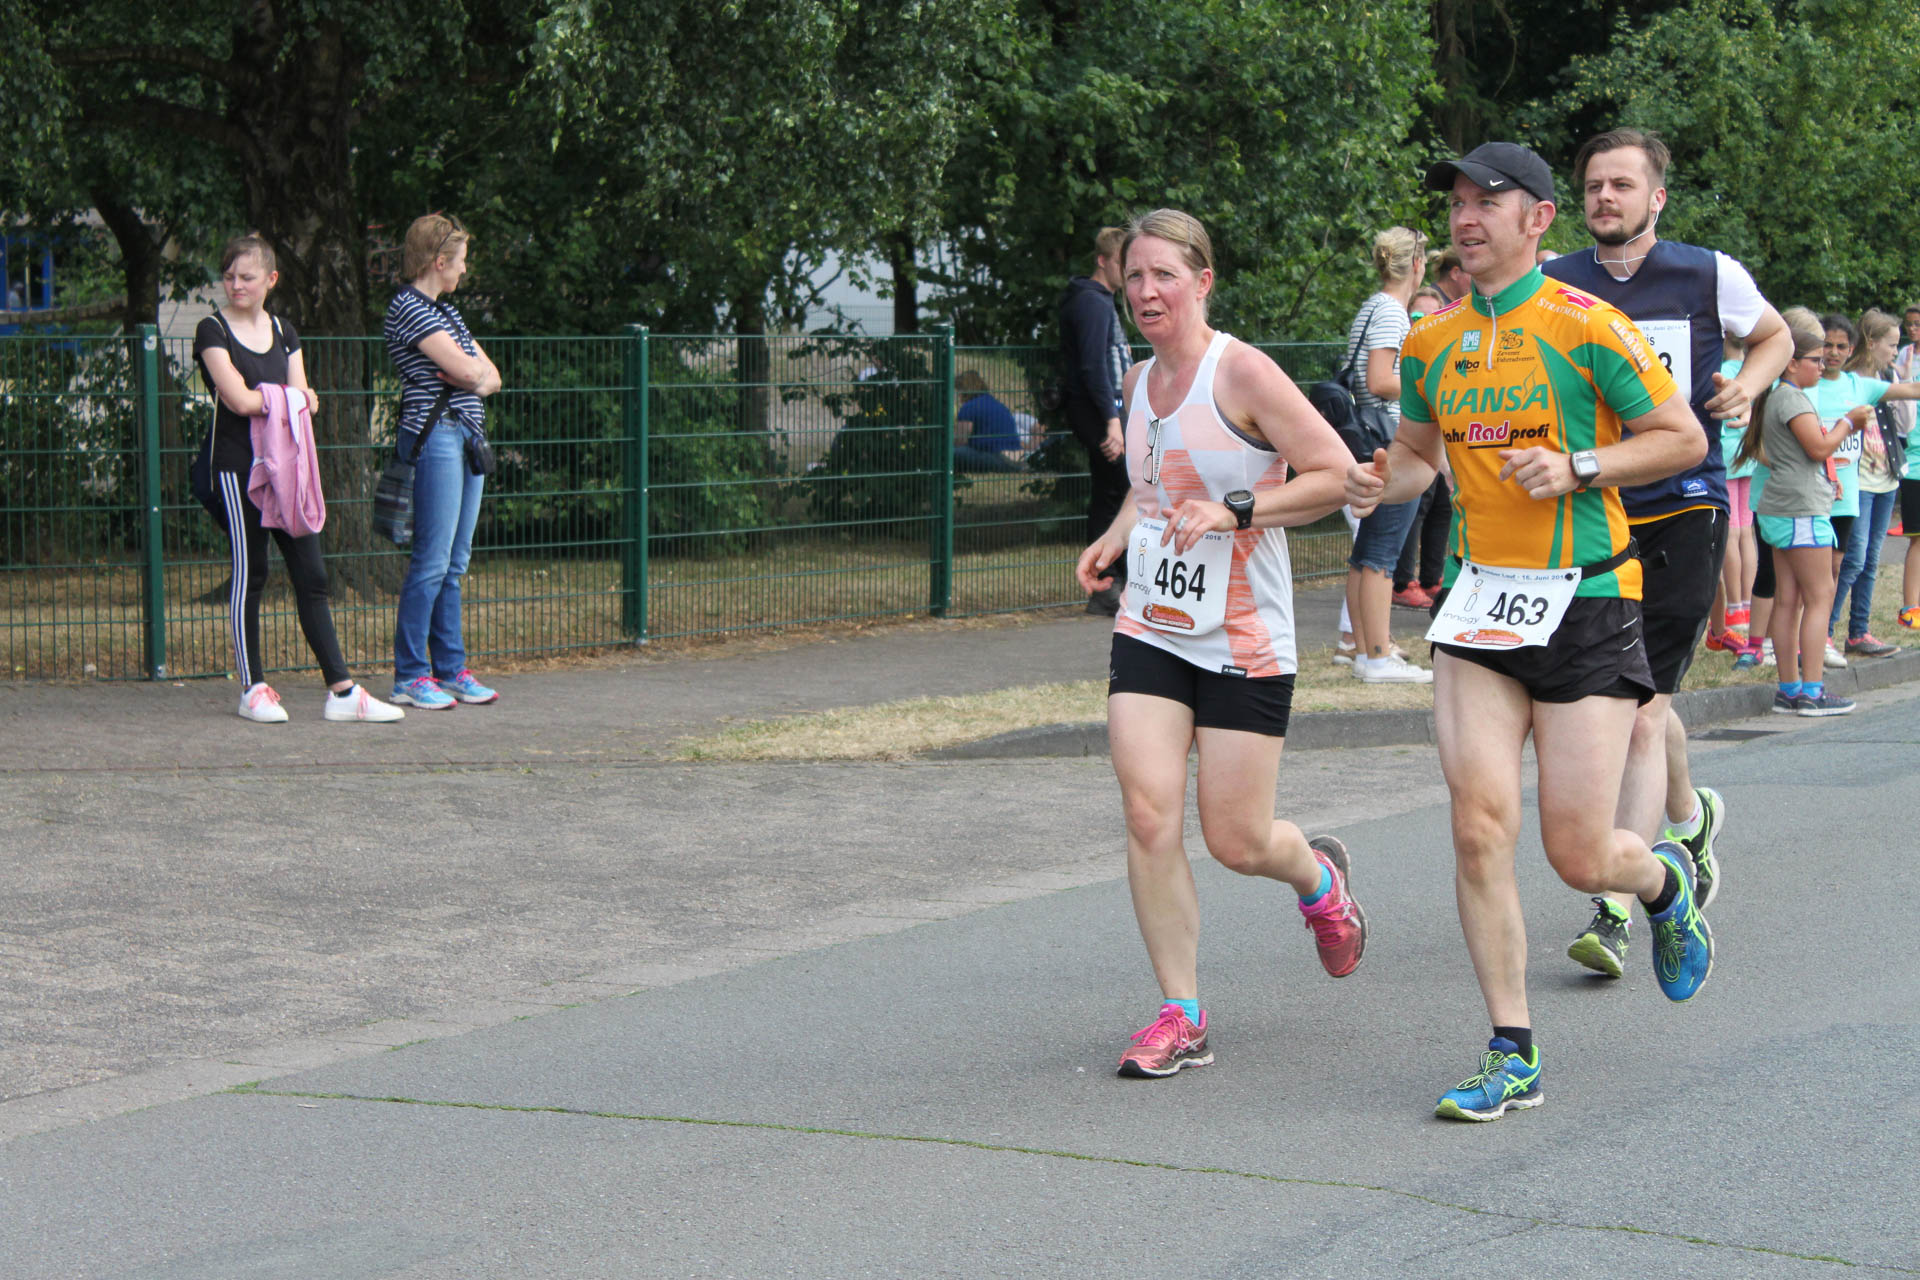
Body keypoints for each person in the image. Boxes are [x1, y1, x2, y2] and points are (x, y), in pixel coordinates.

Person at [1346, 141, 1712, 1121]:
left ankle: (1662, 882)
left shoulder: (1588, 326)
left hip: (1587, 598)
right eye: (1457, 203)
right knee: (1477, 826)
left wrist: (1582, 465)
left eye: (1488, 201)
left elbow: (1682, 438)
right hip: (1480, 603)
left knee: (1582, 855)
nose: (1466, 218)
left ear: (1539, 218)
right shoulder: (1431, 340)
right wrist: (1381, 480)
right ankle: (1512, 1049)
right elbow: (1419, 455)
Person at [1074, 209, 1365, 1079]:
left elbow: (1335, 476)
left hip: (1243, 632)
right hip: (1153, 624)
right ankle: (1182, 1013)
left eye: (1164, 274)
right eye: (1134, 276)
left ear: (1202, 282)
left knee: (1238, 841)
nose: (1146, 291)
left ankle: (1317, 880)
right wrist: (1115, 538)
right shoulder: (1136, 380)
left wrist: (1236, 511)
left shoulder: (1242, 372)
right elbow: (1153, 489)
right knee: (1148, 812)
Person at [1542, 128, 1790, 977]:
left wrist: (1746, 385)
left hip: (1684, 506)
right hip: (1592, 510)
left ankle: (1616, 902)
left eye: (1621, 185)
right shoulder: (1555, 282)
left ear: (1656, 199)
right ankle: (1690, 815)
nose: (1604, 197)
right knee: (1637, 697)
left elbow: (1774, 336)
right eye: (1593, 185)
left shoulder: (1706, 273)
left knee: (1639, 708)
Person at [191, 233, 404, 725]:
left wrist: (291, 397)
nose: (235, 285)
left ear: (271, 279)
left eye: (247, 277)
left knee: (313, 575)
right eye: (229, 276)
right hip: (235, 470)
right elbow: (242, 401)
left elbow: (303, 397)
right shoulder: (211, 330)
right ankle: (253, 689)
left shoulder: (284, 331)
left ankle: (343, 691)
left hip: (285, 471)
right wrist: (291, 398)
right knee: (253, 572)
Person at [385, 213, 503, 710]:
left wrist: (471, 374)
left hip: (468, 437)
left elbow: (492, 376)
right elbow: (469, 372)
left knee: (454, 563)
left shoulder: (447, 313)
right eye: (460, 261)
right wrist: (470, 373)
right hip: (436, 436)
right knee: (431, 561)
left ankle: (451, 671)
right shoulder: (409, 307)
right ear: (438, 261)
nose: (464, 270)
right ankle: (411, 676)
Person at [1736, 308, 1860, 715]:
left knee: (1788, 600)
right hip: (1800, 509)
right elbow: (1819, 448)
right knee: (1820, 596)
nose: (1823, 366)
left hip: (1780, 507)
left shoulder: (1777, 396)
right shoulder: (1792, 398)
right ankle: (1812, 691)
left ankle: (1789, 689)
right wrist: (1850, 422)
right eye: (1816, 360)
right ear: (1791, 363)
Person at [1340, 227, 1431, 682]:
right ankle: (1377, 656)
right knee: (1382, 552)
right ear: (1416, 264)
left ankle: (1364, 650)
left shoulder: (1372, 307)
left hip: (1368, 435)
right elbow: (1378, 380)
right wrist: (1429, 383)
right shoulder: (1393, 312)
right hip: (1390, 437)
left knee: (1366, 551)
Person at [1059, 227, 1135, 615]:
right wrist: (1111, 420)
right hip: (1101, 413)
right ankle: (1107, 586)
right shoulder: (1091, 303)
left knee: (1113, 491)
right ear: (1103, 261)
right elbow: (1093, 366)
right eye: (1123, 263)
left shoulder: (1101, 301)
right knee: (1121, 492)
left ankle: (1112, 586)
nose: (1129, 271)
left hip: (1108, 410)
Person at [1832, 310, 1909, 657]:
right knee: (1853, 560)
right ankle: (1825, 632)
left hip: (1886, 479)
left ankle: (1858, 632)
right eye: (1891, 344)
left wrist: (1900, 376)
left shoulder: (1887, 378)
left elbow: (1906, 422)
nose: (1895, 351)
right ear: (1872, 342)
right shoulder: (1849, 382)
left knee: (1870, 560)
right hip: (1858, 482)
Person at [952, 370, 1024, 472]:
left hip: (997, 458)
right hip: (1017, 459)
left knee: (950, 453)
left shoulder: (969, 407)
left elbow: (960, 441)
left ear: (964, 391)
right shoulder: (998, 404)